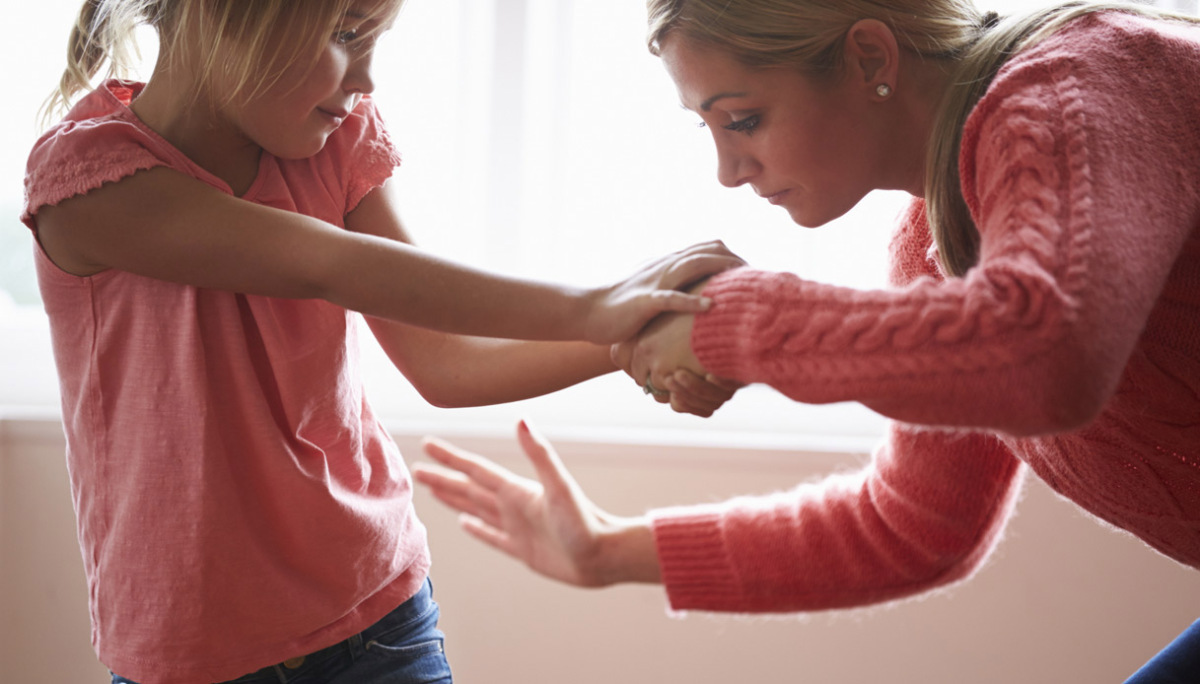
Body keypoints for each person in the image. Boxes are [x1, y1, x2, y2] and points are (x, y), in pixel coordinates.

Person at [412, 0, 1200, 681]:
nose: (726, 169)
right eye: (710, 129)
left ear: (868, 56)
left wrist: (731, 321)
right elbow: (915, 524)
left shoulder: (1084, 82)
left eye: (742, 119)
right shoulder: (938, 236)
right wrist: (606, 552)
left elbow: (1047, 354)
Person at [19, 1, 746, 682]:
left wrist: (637, 335)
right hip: (191, 656)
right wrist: (604, 307)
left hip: (379, 622)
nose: (366, 77)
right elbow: (329, 265)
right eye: (346, 34)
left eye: (375, 41)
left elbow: (448, 363)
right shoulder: (92, 181)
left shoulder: (337, 139)